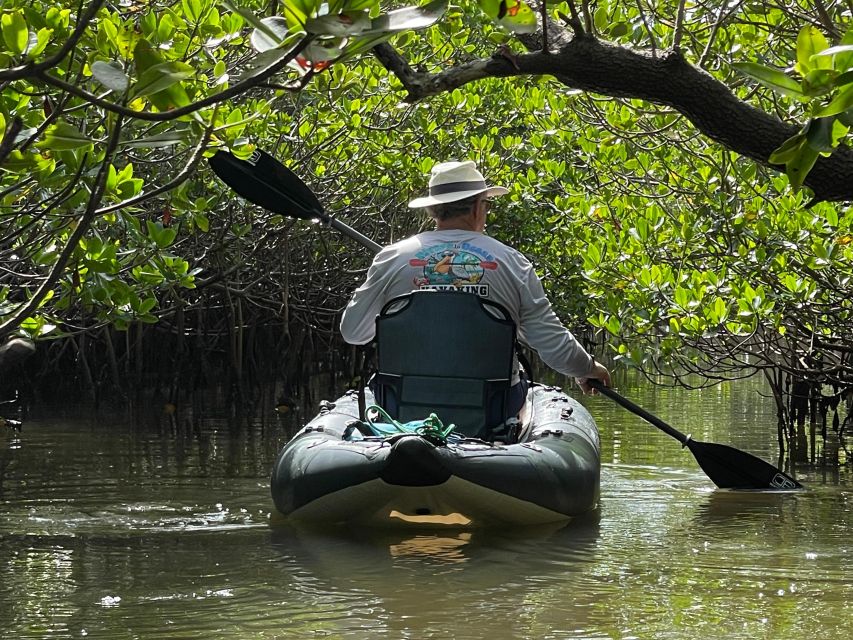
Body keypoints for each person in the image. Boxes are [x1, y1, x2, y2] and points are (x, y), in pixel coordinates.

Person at [339, 159, 611, 419]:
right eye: (487, 205)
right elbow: (551, 342)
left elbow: (353, 333)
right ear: (477, 207)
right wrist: (587, 368)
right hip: (493, 409)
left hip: (401, 404)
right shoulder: (512, 263)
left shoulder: (390, 258)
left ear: (433, 210)